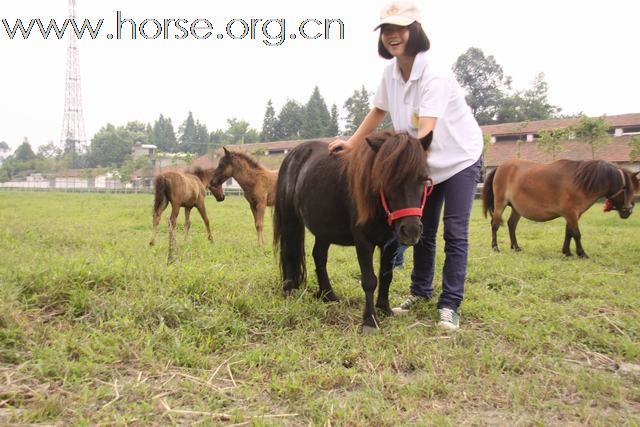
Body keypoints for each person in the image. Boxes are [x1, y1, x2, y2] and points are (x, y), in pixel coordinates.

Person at [328, 0, 483, 330]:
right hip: (418, 166)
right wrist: (353, 143)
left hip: (456, 160)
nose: (391, 35)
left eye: (399, 28)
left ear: (415, 31)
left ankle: (450, 304)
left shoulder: (435, 75)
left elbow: (424, 133)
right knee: (420, 233)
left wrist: (392, 156)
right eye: (386, 30)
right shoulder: (391, 72)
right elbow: (378, 111)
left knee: (455, 233)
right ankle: (421, 292)